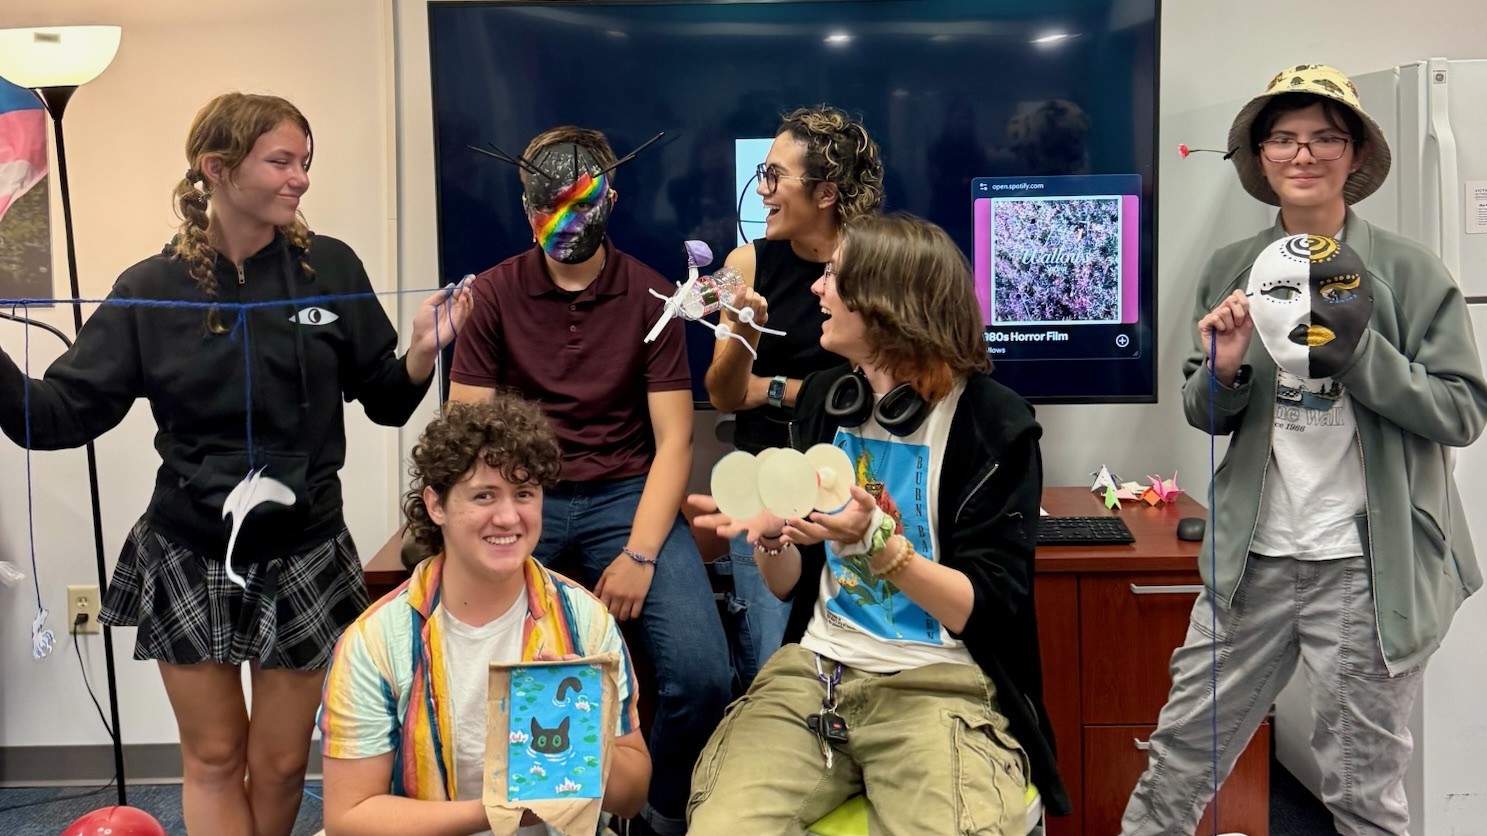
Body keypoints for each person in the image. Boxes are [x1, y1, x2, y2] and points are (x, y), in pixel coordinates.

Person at [0, 92, 471, 835]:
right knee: (215, 757)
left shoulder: (331, 267)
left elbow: (384, 400)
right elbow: (58, 416)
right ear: (215, 168)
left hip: (305, 548)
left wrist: (420, 351)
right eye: (281, 161)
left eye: (305, 162)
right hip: (188, 548)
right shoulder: (149, 289)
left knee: (281, 764)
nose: (300, 179)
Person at [1120, 64, 1487, 836]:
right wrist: (1223, 370)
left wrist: (1357, 352)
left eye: (1325, 138)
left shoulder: (1410, 272)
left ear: (1355, 154)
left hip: (1367, 567)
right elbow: (1204, 411)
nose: (1303, 155)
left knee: (1361, 789)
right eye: (1282, 139)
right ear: (1259, 158)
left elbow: (1461, 413)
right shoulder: (1232, 269)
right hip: (1251, 559)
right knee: (1177, 761)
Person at [687, 214, 1070, 833]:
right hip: (817, 675)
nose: (816, 287)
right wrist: (771, 535)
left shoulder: (994, 426)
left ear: (886, 303)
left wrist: (877, 544)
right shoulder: (828, 399)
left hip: (939, 686)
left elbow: (989, 608)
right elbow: (788, 586)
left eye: (833, 276)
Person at [448, 125, 729, 836]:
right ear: (525, 205)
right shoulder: (492, 294)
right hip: (522, 495)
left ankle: (652, 812)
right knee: (471, 658)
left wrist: (639, 553)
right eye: (549, 204)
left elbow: (675, 441)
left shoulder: (652, 294)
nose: (565, 221)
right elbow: (465, 434)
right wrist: (498, 520)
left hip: (625, 494)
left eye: (581, 203)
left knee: (702, 675)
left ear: (611, 200)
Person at [318, 397, 650, 835]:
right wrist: (498, 812)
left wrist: (589, 729)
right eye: (484, 495)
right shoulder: (376, 642)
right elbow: (349, 818)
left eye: (524, 493)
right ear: (436, 505)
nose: (508, 517)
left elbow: (631, 797)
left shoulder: (585, 622)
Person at [703, 105, 884, 689]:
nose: (763, 190)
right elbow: (725, 393)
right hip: (764, 482)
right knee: (773, 665)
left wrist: (775, 388)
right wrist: (747, 333)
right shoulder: (743, 264)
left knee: (858, 654)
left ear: (826, 193)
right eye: (763, 173)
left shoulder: (873, 265)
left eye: (775, 176)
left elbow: (880, 391)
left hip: (853, 481)